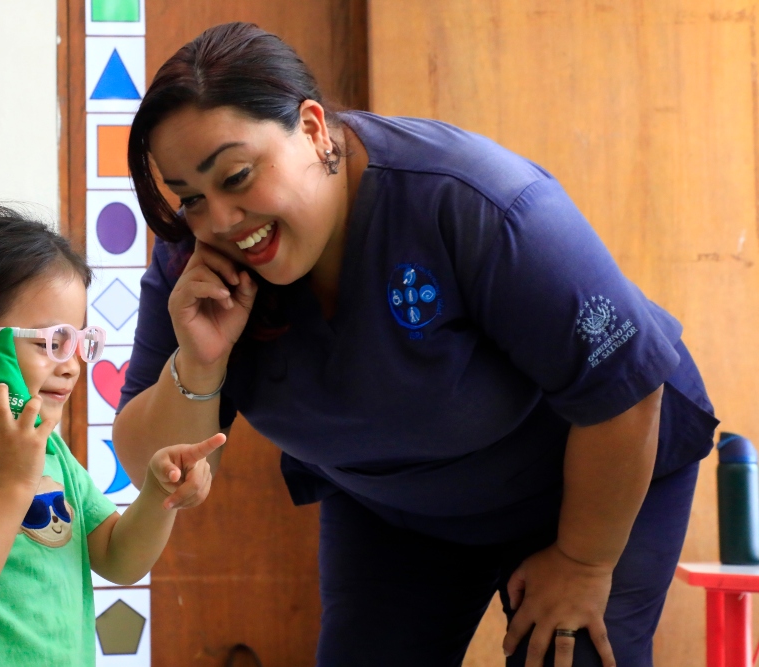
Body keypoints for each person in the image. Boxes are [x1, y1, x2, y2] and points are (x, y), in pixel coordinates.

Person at [112, 22, 720, 667]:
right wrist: (199, 362)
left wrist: (582, 562)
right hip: (392, 510)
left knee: (571, 654)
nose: (221, 220)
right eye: (190, 198)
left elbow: (623, 387)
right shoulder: (196, 269)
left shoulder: (472, 198)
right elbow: (152, 464)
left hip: (590, 478)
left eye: (236, 176)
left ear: (313, 129)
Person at [0, 205, 223, 666]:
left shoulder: (49, 452)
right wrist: (11, 486)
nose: (72, 365)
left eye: (79, 341)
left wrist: (157, 495)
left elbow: (118, 559)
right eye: (50, 342)